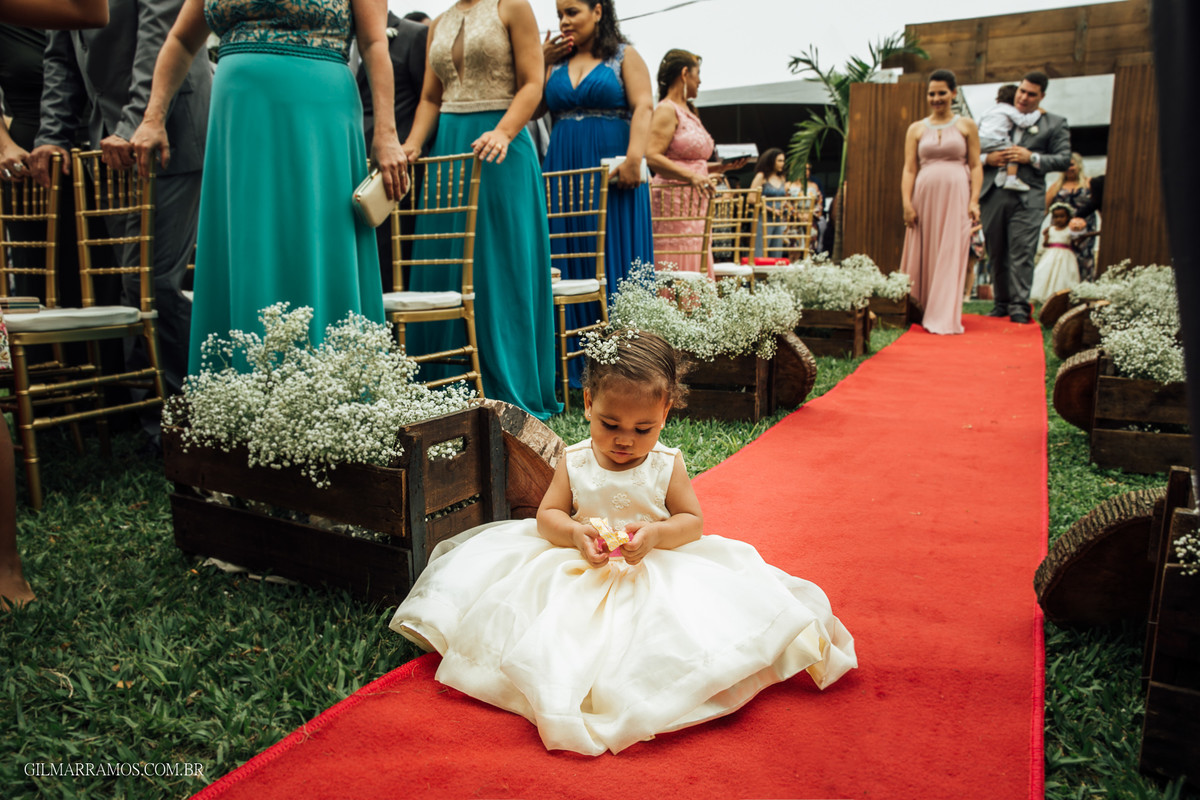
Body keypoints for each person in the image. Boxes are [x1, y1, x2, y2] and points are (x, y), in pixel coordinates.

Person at [389, 329, 856, 756]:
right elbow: (547, 516)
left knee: (669, 631)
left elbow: (691, 521)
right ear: (588, 402)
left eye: (642, 429)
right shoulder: (574, 461)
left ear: (665, 413)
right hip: (579, 565)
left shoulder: (665, 465)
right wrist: (574, 532)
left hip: (651, 566)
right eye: (610, 424)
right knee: (558, 629)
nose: (624, 442)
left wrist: (655, 535)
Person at [130, 0, 406, 376]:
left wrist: (387, 133)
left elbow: (375, 44)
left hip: (317, 119)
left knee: (314, 240)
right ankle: (239, 391)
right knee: (248, 242)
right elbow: (179, 39)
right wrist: (152, 117)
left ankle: (330, 387)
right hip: (238, 121)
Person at [30, 0, 212, 428]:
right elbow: (60, 52)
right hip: (108, 140)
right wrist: (51, 136)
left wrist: (134, 125)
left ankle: (190, 420)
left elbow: (160, 33)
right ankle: (154, 415)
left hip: (169, 131)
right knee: (132, 286)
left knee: (151, 283)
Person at [401, 0, 561, 420]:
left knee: (498, 265)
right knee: (444, 258)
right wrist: (413, 145)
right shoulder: (440, 21)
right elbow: (430, 98)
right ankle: (441, 381)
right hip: (449, 150)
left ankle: (505, 385)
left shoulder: (512, 7)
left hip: (500, 150)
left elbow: (531, 84)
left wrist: (504, 131)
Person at [540, 0, 654, 388]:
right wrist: (540, 60)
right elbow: (533, 104)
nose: (564, 21)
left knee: (611, 252)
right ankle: (570, 363)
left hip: (613, 168)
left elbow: (643, 106)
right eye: (559, 14)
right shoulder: (554, 60)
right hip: (563, 166)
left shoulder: (625, 55)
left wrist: (635, 158)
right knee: (566, 256)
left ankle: (627, 364)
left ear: (599, 11)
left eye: (572, 11)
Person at [978, 70, 1071, 323]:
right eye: (1022, 91)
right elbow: (971, 150)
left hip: (1028, 197)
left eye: (1031, 94)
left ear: (1041, 96)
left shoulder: (1054, 122)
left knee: (1021, 251)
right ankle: (1001, 302)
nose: (1024, 97)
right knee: (996, 250)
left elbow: (1064, 159)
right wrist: (988, 158)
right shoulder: (997, 115)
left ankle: (1019, 305)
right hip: (993, 193)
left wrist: (1031, 157)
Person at [898, 69, 982, 336]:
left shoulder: (966, 125)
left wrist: (974, 200)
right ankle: (918, 308)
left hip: (957, 195)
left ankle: (944, 314)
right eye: (932, 93)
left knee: (951, 249)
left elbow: (976, 165)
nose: (936, 98)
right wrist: (907, 203)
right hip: (923, 195)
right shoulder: (916, 128)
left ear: (953, 93)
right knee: (921, 250)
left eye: (942, 93)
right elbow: (909, 169)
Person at [646, 49, 740, 275]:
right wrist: (692, 177)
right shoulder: (666, 110)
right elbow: (652, 156)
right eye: (698, 74)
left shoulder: (690, 112)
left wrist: (721, 167)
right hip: (674, 205)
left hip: (696, 204)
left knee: (697, 259)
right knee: (679, 263)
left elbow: (689, 162)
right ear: (684, 73)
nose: (700, 81)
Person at [357, 10, 430, 291]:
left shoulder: (413, 34)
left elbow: (428, 100)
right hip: (341, 163)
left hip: (390, 174)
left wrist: (409, 145)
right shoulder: (324, 35)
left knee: (388, 265)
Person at [977, 83, 1042, 193]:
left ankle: (1004, 172)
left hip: (980, 140)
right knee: (1013, 151)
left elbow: (977, 125)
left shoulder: (988, 110)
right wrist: (1037, 112)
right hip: (995, 140)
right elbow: (1024, 122)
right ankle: (1011, 179)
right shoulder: (1010, 109)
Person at [1045, 152, 1098, 280]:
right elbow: (1044, 210)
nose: (1069, 168)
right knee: (1061, 262)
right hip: (1061, 232)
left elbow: (1099, 204)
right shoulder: (1055, 187)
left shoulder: (1089, 183)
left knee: (1084, 260)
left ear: (1079, 166)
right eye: (1066, 165)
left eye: (1072, 165)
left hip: (1085, 231)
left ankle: (1084, 290)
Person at [1031, 202, 1096, 303]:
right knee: (1045, 274)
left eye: (1062, 216)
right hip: (1050, 255)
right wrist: (1045, 238)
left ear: (1068, 217)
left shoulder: (1069, 230)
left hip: (1066, 256)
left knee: (1063, 276)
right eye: (1056, 217)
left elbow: (1076, 242)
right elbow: (1045, 244)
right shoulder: (1050, 230)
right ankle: (1043, 296)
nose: (1058, 219)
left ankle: (1061, 297)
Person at [751, 148, 789, 258]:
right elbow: (752, 198)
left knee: (777, 247)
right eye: (779, 161)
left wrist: (783, 206)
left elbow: (784, 196)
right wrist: (770, 209)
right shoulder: (761, 176)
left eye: (783, 161)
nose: (782, 163)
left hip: (778, 217)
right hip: (763, 216)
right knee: (761, 247)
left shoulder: (782, 177)